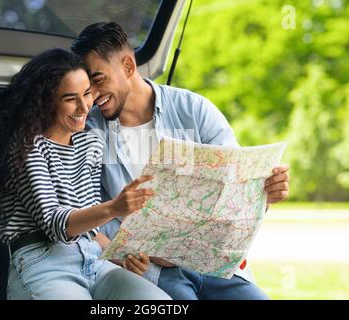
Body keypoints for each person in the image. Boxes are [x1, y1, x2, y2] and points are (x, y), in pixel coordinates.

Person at [71, 22, 291, 300]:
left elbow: (238, 190)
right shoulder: (89, 133)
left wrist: (267, 193)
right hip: (152, 275)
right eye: (85, 86)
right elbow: (83, 219)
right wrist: (118, 258)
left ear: (128, 66)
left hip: (215, 269)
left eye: (98, 79)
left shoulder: (194, 111)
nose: (91, 96)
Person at [0, 48, 171, 300]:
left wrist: (120, 255)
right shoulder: (27, 149)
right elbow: (56, 225)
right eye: (70, 98)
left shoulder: (90, 144)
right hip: (43, 263)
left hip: (94, 260)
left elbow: (87, 228)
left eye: (87, 93)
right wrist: (114, 208)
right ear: (45, 102)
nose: (84, 106)